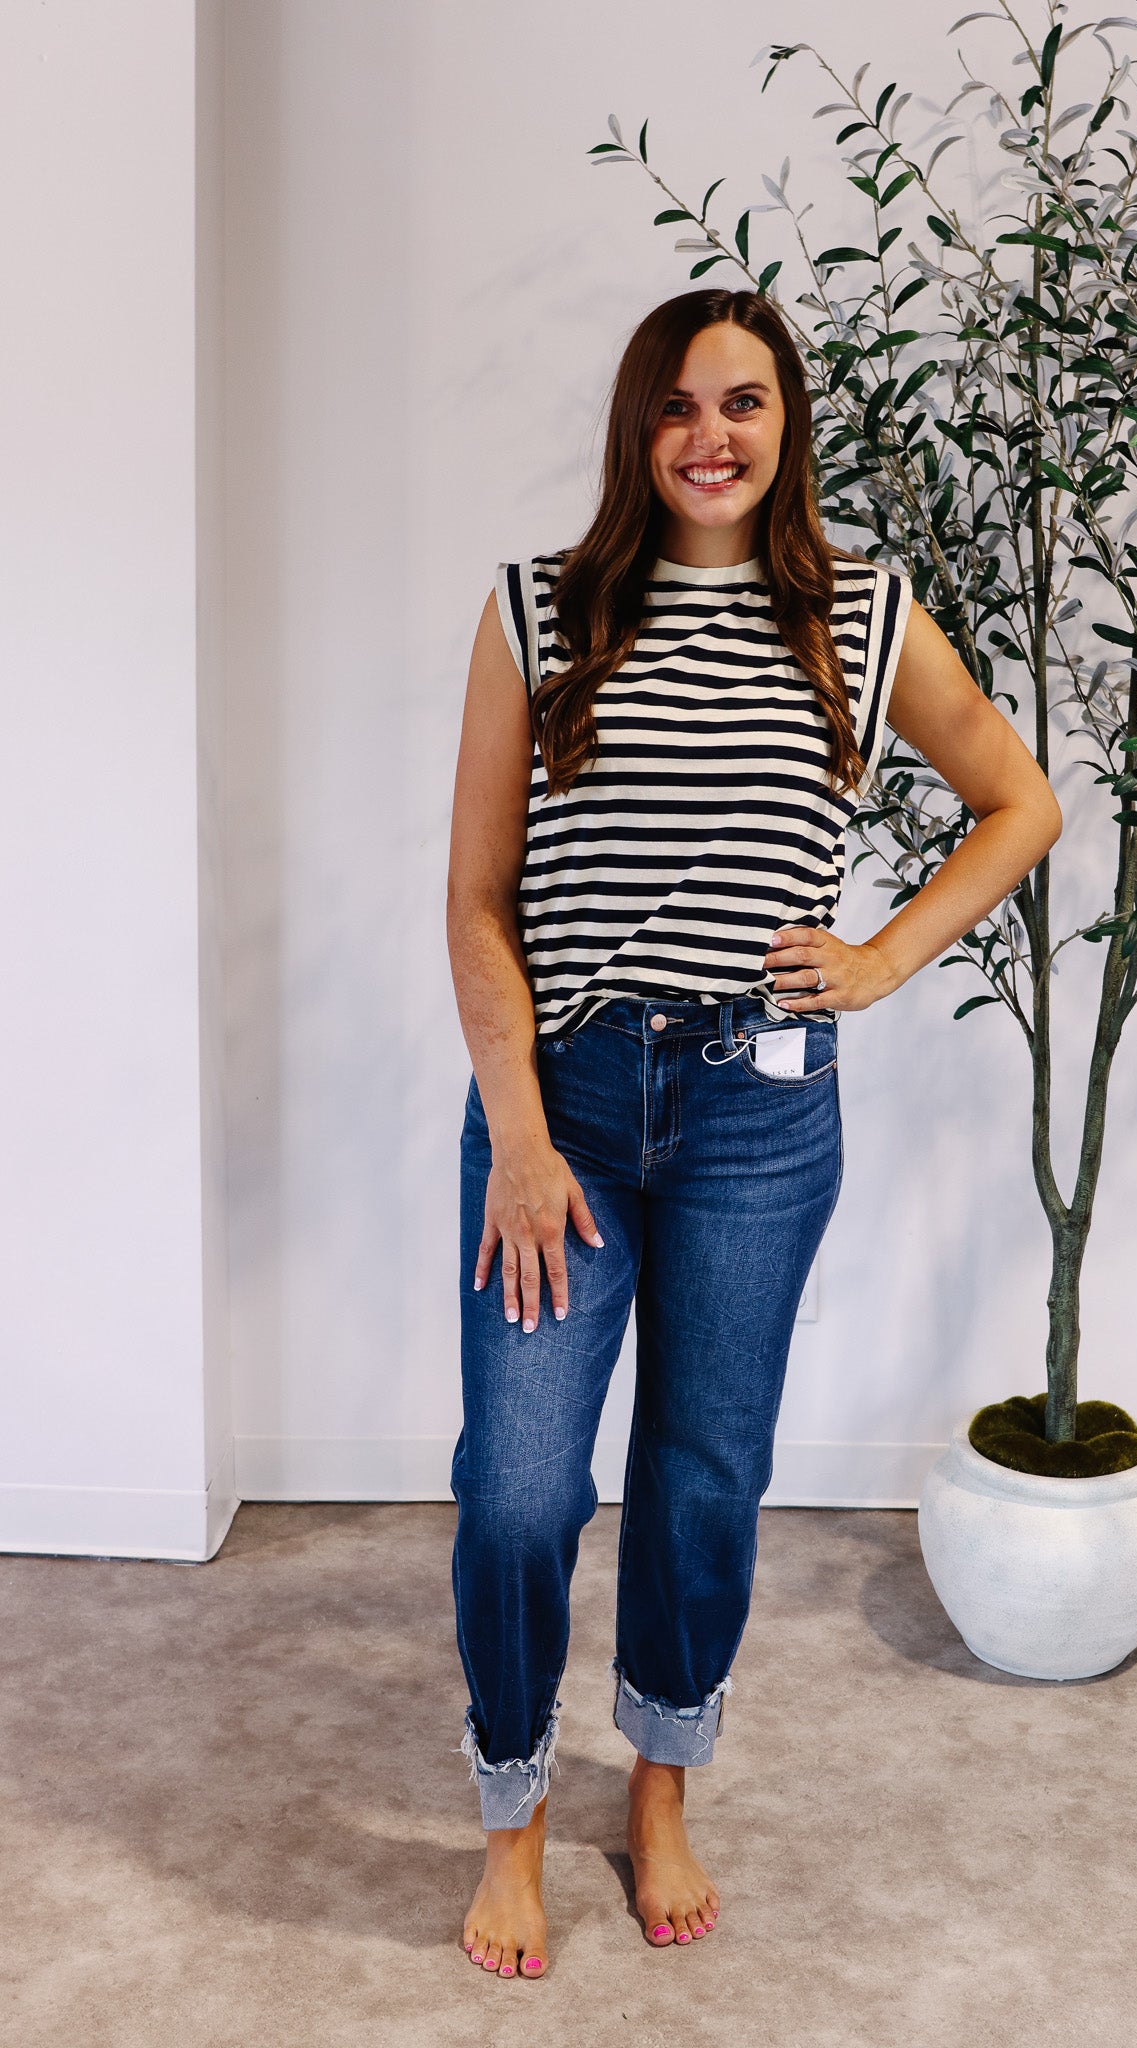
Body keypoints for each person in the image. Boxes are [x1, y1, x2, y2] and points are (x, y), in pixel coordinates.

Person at [445, 287, 1062, 1979]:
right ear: (636, 429)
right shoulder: (538, 610)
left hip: (758, 1110)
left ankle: (659, 1786)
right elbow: (477, 898)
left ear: (787, 425)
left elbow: (1019, 801)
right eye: (676, 405)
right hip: (562, 1106)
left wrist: (882, 958)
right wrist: (516, 1136)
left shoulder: (859, 614)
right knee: (518, 1489)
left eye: (743, 402)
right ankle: (512, 1812)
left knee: (703, 1472)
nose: (709, 435)